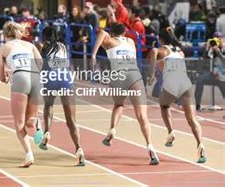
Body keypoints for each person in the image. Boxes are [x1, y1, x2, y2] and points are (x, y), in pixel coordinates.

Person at [92, 23, 159, 165]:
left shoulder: (109, 42)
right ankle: (150, 146)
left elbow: (103, 33)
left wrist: (93, 54)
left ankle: (113, 129)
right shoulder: (131, 42)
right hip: (134, 75)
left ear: (112, 32)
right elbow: (115, 32)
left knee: (118, 104)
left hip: (118, 75)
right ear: (125, 32)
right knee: (142, 116)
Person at [148, 28, 206, 163]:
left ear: (161, 39)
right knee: (192, 120)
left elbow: (154, 52)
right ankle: (200, 145)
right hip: (185, 83)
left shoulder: (161, 50)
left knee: (163, 105)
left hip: (171, 85)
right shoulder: (180, 52)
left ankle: (171, 131)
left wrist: (151, 74)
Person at [0, 22, 43, 167]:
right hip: (36, 78)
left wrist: (7, 78)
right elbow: (41, 64)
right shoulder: (30, 45)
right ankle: (37, 124)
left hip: (20, 77)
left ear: (5, 35)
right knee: (30, 121)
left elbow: (1, 75)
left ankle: (29, 154)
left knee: (19, 123)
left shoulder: (3, 48)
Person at [38, 26, 85, 165]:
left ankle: (47, 132)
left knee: (48, 105)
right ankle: (79, 149)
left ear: (44, 37)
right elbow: (67, 63)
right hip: (65, 79)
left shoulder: (44, 48)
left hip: (51, 79)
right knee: (71, 120)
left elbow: (42, 66)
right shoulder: (63, 46)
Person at [194, 32, 225, 111]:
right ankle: (197, 105)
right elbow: (204, 62)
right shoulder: (212, 48)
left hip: (224, 77)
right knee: (200, 79)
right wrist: (207, 49)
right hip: (214, 75)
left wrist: (219, 52)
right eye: (215, 38)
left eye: (219, 38)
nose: (217, 40)